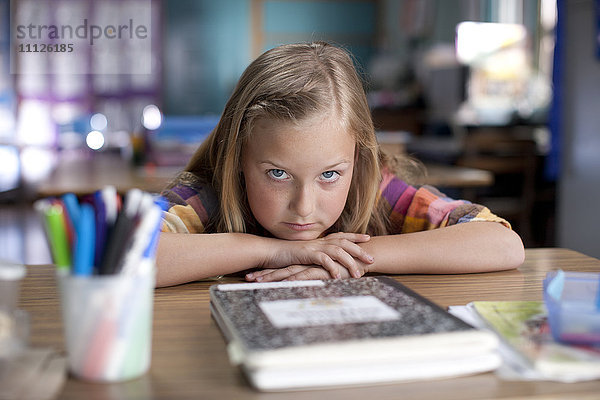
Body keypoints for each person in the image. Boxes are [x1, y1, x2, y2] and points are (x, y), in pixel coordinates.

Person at [156, 41, 524, 287]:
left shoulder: (372, 184)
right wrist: (275, 251)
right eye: (278, 174)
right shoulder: (210, 190)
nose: (304, 206)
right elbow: (126, 253)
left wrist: (349, 257)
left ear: (358, 157)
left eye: (329, 174)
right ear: (238, 158)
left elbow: (503, 243)